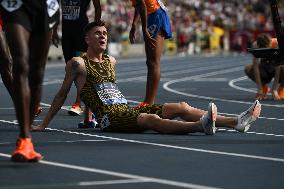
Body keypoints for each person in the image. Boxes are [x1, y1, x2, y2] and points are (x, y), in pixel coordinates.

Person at [33, 20, 261, 136]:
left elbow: (103, 91)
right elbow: (63, 94)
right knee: (149, 119)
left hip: (125, 110)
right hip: (110, 120)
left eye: (104, 33)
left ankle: (235, 122)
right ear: (87, 39)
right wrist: (44, 125)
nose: (103, 36)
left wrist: (87, 118)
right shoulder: (77, 63)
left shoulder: (112, 61)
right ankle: (200, 126)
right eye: (97, 34)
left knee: (180, 105)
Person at [1, 0, 60, 162]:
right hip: (15, 4)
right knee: (20, 64)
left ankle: (27, 139)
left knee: (37, 73)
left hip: (47, 6)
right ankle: (24, 137)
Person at [52, 0, 101, 116]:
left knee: (80, 68)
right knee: (70, 69)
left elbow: (98, 7)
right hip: (66, 33)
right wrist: (54, 30)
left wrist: (95, 28)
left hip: (81, 32)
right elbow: (54, 8)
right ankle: (85, 101)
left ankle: (78, 103)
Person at [129, 0, 172, 107]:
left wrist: (143, 29)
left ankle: (149, 103)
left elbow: (142, 5)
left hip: (156, 14)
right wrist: (134, 23)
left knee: (153, 61)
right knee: (150, 62)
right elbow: (138, 4)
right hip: (151, 14)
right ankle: (147, 102)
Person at [244, 33, 284, 100]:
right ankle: (263, 87)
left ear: (270, 43)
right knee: (248, 69)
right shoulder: (255, 45)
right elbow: (255, 67)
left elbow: (278, 67)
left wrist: (274, 89)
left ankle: (281, 89)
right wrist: (260, 88)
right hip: (265, 67)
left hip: (275, 67)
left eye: (266, 48)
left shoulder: (277, 44)